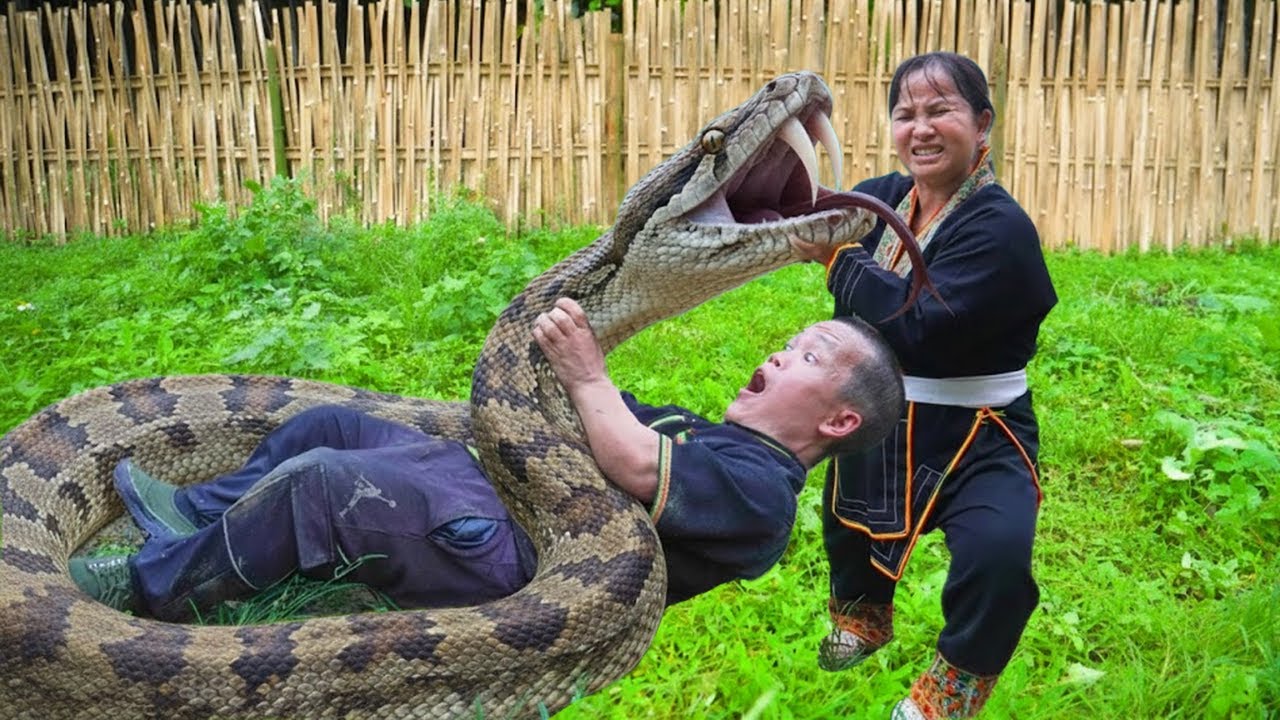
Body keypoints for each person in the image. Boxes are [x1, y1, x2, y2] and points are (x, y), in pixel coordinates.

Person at [70, 298, 905, 622]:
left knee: (325, 487)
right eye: (789, 339)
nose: (779, 350)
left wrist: (587, 370)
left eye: (806, 354)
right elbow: (571, 420)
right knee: (336, 425)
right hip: (484, 486)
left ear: (836, 419)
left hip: (504, 553)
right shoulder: (698, 424)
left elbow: (632, 462)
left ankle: (149, 587)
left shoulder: (762, 496)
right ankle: (200, 517)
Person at [790, 52, 1058, 719]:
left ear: (982, 123)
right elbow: (811, 209)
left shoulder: (1000, 229)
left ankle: (951, 690)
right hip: (884, 411)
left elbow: (925, 324)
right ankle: (863, 620)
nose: (922, 128)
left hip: (981, 429)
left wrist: (837, 259)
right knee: (848, 526)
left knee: (997, 559)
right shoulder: (883, 199)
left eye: (941, 110)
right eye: (906, 114)